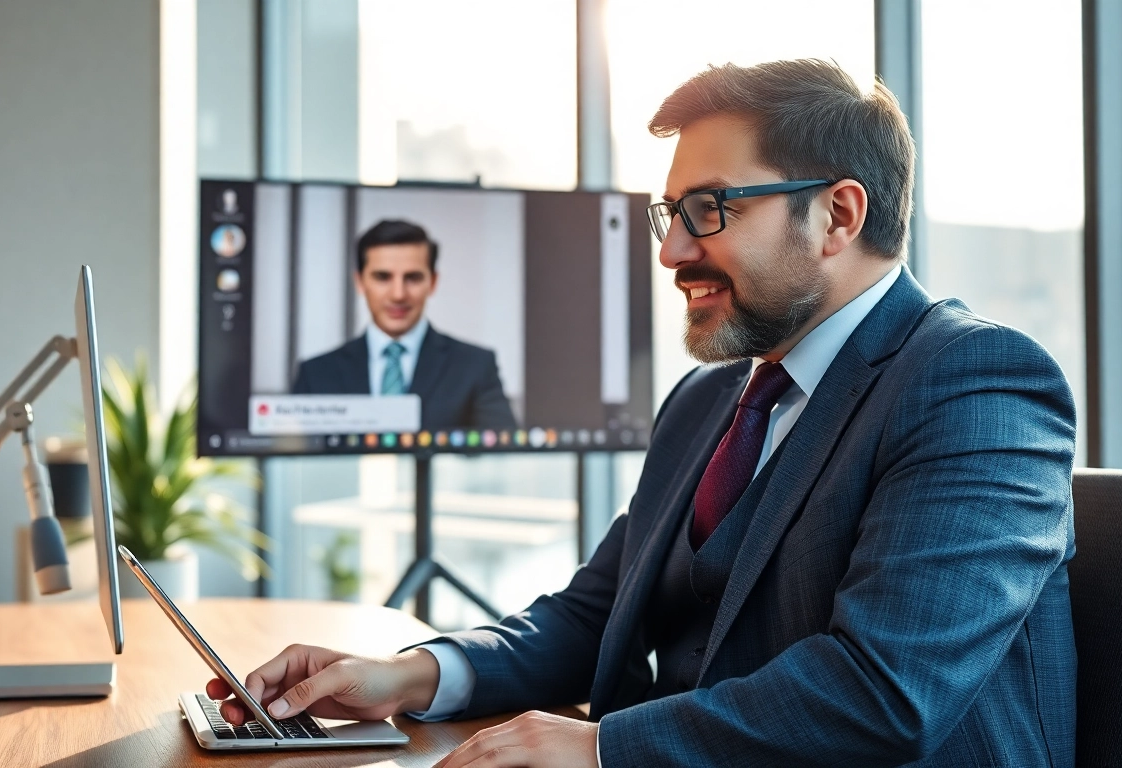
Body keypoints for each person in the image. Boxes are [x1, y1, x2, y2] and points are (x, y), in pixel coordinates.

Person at [213, 59, 1077, 767]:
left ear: (837, 216)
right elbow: (596, 612)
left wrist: (601, 750)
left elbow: (884, 692)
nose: (669, 250)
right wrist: (410, 676)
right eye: (672, 213)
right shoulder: (711, 399)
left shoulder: (976, 382)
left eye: (710, 210)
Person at [291, 219, 518, 431]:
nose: (398, 294)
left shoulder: (475, 366)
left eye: (413, 278)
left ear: (433, 282)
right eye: (382, 277)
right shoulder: (316, 374)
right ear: (360, 282)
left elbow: (502, 458)